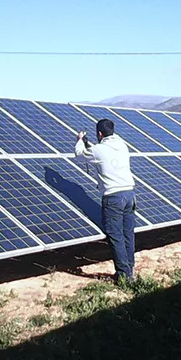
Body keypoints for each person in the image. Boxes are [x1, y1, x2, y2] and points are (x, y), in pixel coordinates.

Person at [75, 118, 136, 282]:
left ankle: (124, 276)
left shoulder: (99, 150)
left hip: (113, 197)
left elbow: (79, 156)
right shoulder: (122, 145)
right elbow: (103, 151)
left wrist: (80, 141)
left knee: (116, 236)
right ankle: (130, 269)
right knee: (128, 234)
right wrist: (91, 145)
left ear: (100, 134)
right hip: (130, 194)